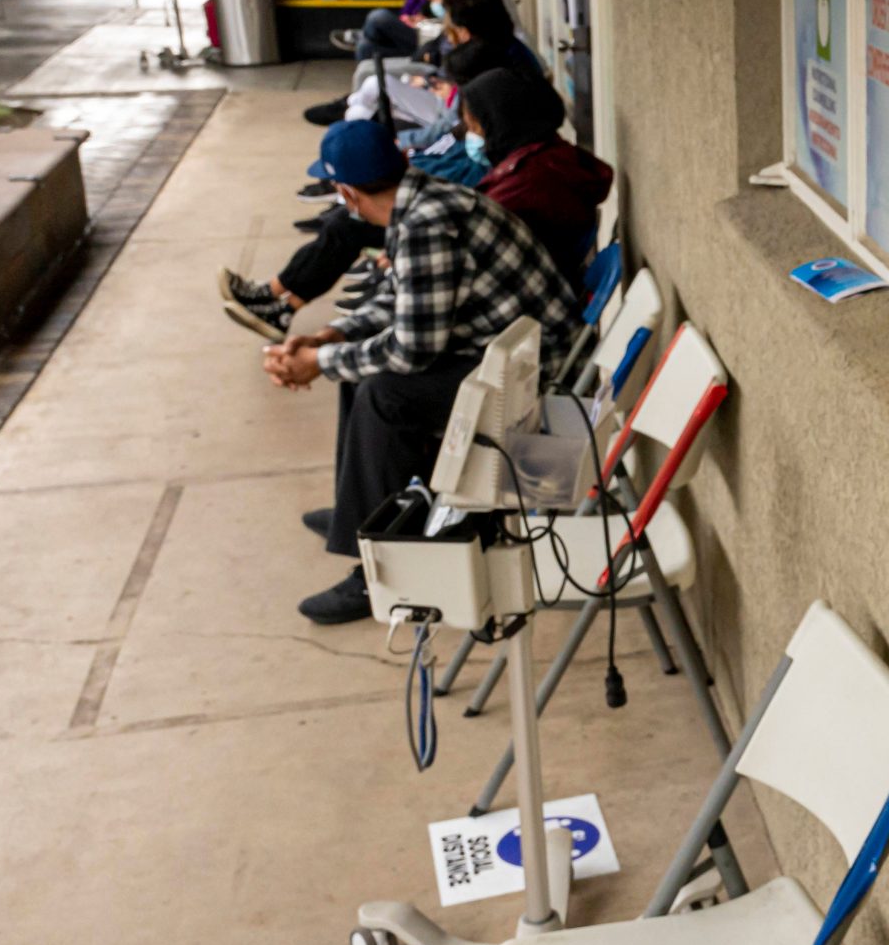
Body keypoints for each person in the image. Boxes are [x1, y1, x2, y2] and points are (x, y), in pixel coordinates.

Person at [266, 119, 580, 624]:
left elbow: (413, 350)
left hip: (531, 377)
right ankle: (362, 516)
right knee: (362, 374)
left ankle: (385, 572)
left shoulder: (426, 224)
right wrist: (334, 337)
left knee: (384, 394)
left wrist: (317, 364)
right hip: (499, 354)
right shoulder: (422, 201)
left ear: (345, 193)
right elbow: (399, 301)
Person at [224, 42, 528, 340]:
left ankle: (277, 298)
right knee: (342, 224)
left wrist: (323, 352)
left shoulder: (484, 164)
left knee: (345, 226)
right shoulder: (465, 131)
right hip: (414, 180)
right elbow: (442, 143)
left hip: (421, 194)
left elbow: (412, 344)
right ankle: (280, 301)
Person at [459, 70, 612, 289]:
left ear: (502, 120)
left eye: (476, 126)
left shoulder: (526, 182)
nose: (474, 136)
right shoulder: (551, 157)